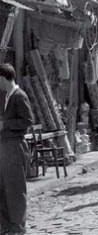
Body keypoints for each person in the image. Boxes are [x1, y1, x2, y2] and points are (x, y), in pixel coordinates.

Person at [0, 63, 33, 235]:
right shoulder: (7, 96)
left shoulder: (19, 96)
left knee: (15, 188)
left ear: (3, 78)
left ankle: (18, 226)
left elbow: (27, 121)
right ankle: (6, 225)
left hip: (15, 146)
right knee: (4, 188)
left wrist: (5, 124)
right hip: (5, 147)